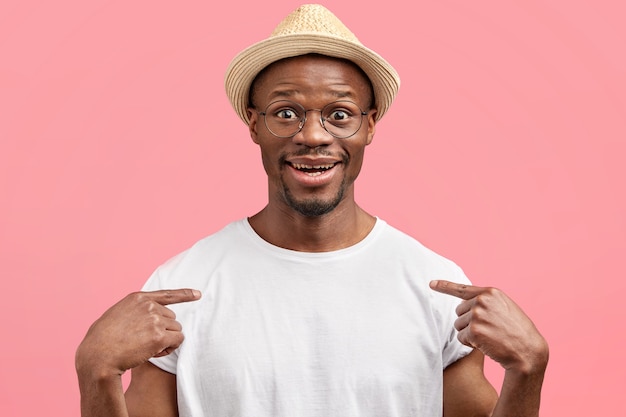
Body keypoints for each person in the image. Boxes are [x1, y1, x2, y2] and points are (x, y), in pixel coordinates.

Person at [76, 4, 549, 417]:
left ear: (369, 127)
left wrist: (528, 369)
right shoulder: (182, 288)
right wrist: (95, 372)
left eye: (339, 114)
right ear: (254, 124)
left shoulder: (435, 286)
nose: (314, 135)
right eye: (286, 113)